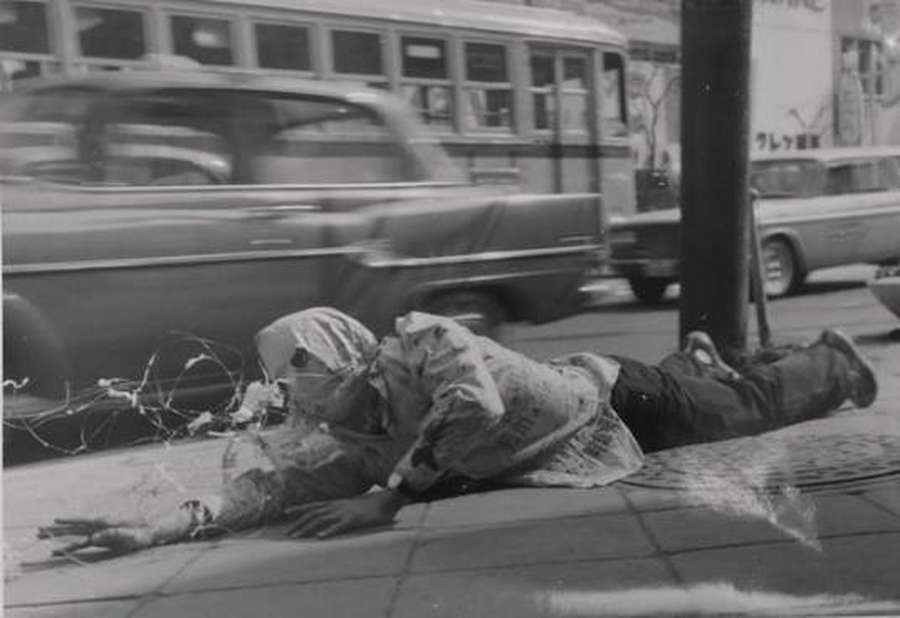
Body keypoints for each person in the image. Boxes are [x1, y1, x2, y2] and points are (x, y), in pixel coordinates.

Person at [38, 308, 877, 554]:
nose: (297, 403)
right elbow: (270, 489)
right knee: (721, 397)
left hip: (616, 399)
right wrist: (156, 530)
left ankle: (833, 360)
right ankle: (703, 362)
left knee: (754, 409)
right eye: (287, 389)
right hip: (580, 423)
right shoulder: (352, 440)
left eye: (301, 379)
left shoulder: (425, 343)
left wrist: (391, 499)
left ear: (339, 357)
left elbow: (475, 407)